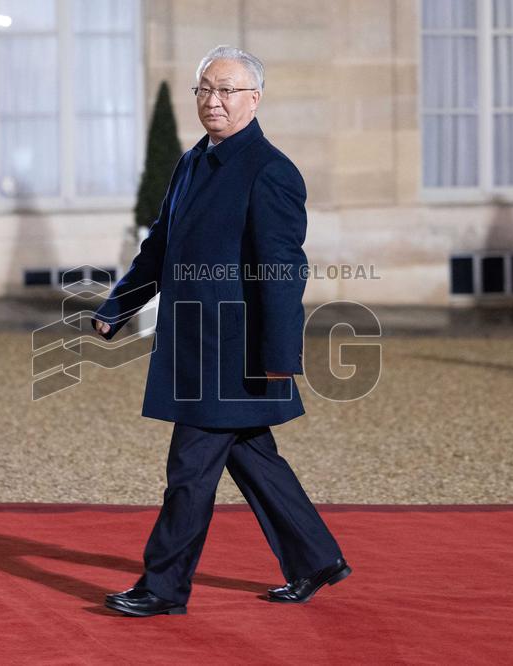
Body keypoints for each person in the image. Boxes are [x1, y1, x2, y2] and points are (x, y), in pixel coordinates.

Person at [92, 45, 350, 617]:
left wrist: (281, 356)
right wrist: (119, 305)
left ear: (254, 100)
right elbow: (159, 247)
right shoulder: (190, 163)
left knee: (189, 469)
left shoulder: (272, 171)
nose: (214, 100)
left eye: (228, 90)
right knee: (254, 458)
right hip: (193, 347)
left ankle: (163, 587)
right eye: (205, 88)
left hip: (234, 356)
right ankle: (315, 559)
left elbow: (284, 271)